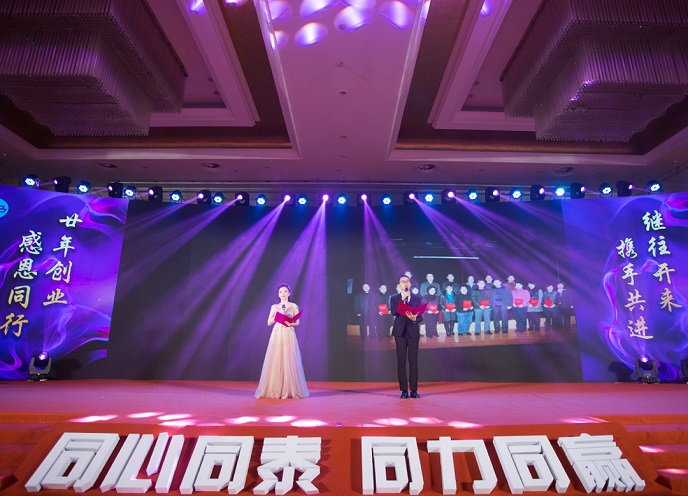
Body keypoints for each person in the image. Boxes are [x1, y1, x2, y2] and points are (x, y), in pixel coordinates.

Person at [255, 284, 309, 399]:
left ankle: (288, 389)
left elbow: (297, 322)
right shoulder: (275, 307)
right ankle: (276, 389)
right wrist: (278, 316)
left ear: (289, 293)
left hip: (288, 332)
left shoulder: (293, 306)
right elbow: (269, 322)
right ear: (278, 294)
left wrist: (290, 323)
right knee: (276, 358)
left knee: (289, 359)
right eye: (280, 292)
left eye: (285, 291)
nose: (283, 294)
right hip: (277, 332)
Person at [390, 274, 424, 398]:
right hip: (400, 332)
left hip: (412, 331)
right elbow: (393, 312)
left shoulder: (417, 298)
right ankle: (404, 390)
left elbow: (420, 316)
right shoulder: (394, 298)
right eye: (402, 281)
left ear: (410, 284)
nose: (405, 283)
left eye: (407, 281)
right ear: (399, 285)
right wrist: (402, 299)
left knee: (413, 361)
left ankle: (414, 390)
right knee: (401, 361)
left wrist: (416, 318)